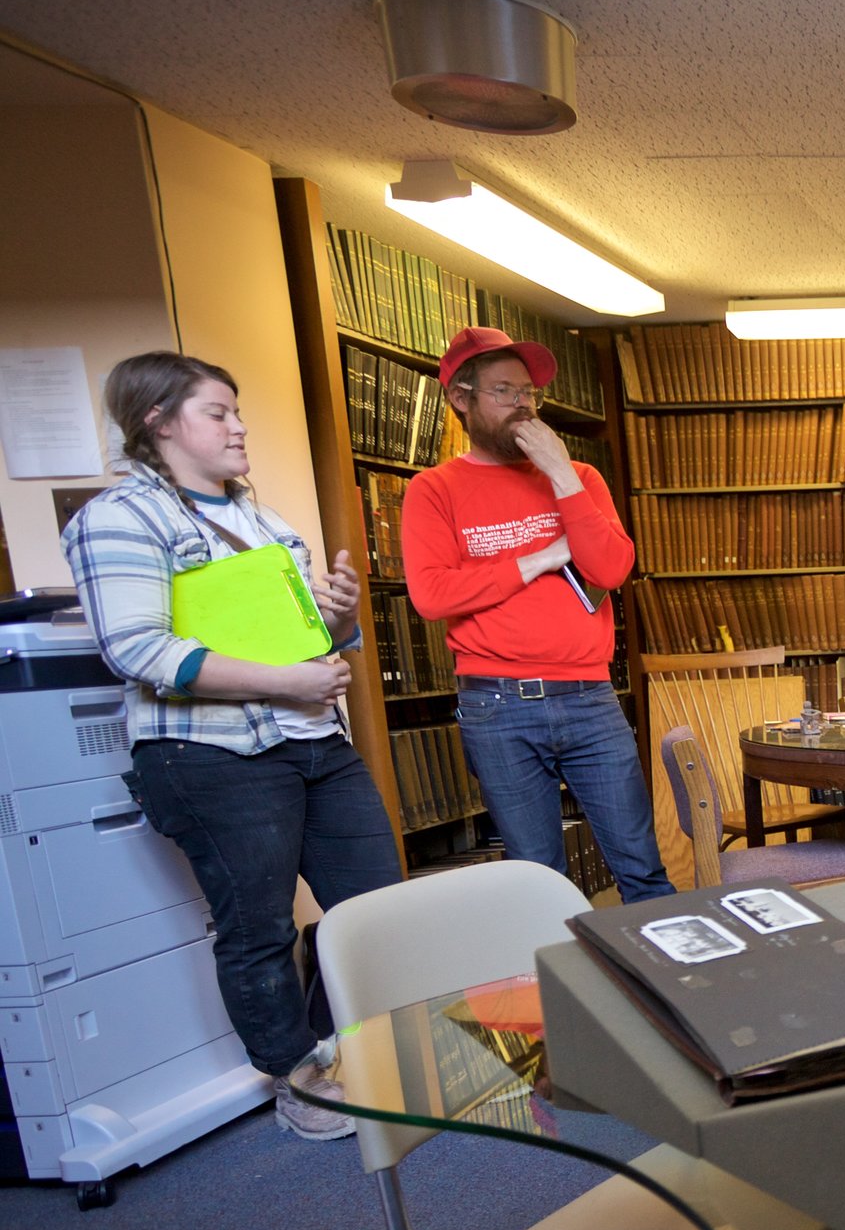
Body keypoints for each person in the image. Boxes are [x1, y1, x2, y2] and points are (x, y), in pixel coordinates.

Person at [62, 352, 402, 1141]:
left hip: (314, 739)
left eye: (237, 411)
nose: (239, 426)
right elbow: (137, 651)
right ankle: (302, 1084)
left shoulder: (265, 521)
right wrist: (288, 683)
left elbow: (315, 644)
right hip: (211, 755)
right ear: (158, 421)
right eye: (218, 413)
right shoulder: (119, 518)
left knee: (378, 908)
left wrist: (341, 619)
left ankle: (366, 1053)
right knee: (257, 928)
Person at [403, 326, 671, 900]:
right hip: (496, 707)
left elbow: (611, 570)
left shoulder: (582, 479)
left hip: (591, 699)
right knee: (540, 883)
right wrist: (540, 558)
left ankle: (677, 986)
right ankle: (560, 990)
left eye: (529, 393)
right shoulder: (434, 490)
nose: (523, 405)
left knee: (643, 869)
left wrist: (563, 475)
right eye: (504, 391)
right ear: (460, 399)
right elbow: (432, 595)